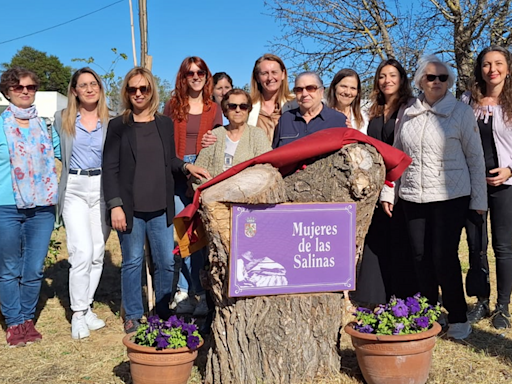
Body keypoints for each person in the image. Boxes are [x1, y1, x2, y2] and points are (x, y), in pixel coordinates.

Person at [380, 55, 487, 340]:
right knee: (419, 255)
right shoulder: (408, 112)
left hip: (451, 195)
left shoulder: (461, 113)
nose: (436, 82)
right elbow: (397, 156)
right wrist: (389, 191)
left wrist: (479, 201)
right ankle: (428, 310)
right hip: (414, 194)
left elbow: (475, 159)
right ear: (420, 82)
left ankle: (458, 316)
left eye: (442, 78)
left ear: (449, 82)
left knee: (444, 256)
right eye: (431, 77)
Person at [102, 67, 210, 333]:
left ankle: (162, 309)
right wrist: (115, 205)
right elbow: (110, 168)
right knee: (132, 261)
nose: (138, 94)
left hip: (161, 206)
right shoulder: (118, 125)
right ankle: (133, 313)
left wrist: (186, 167)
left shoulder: (164, 123)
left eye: (144, 89)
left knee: (165, 261)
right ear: (126, 92)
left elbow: (170, 160)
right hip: (129, 208)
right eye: (133, 89)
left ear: (151, 91)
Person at [0, 67, 58, 347]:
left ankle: (26, 319)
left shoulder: (45, 125)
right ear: (7, 91)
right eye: (18, 87)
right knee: (9, 268)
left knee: (34, 268)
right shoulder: (1, 125)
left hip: (42, 207)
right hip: (6, 207)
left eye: (31, 87)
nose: (25, 91)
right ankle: (13, 322)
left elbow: (71, 151)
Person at [52, 67, 111, 339]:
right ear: (74, 90)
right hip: (75, 187)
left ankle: (87, 307)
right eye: (83, 85)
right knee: (81, 252)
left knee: (98, 252)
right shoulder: (61, 118)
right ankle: (77, 313)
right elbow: (51, 152)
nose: (89, 89)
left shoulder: (111, 120)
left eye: (93, 84)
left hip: (101, 188)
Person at [351, 59, 415, 306]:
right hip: (377, 184)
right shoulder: (373, 109)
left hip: (401, 180)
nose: (387, 80)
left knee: (401, 240)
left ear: (402, 79)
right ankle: (373, 297)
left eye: (392, 75)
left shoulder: (409, 107)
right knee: (377, 238)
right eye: (382, 76)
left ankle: (403, 294)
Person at [163, 56, 222, 316]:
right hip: (177, 174)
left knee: (200, 236)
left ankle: (200, 291)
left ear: (207, 76)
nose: (196, 76)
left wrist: (212, 141)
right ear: (183, 77)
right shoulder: (172, 106)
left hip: (204, 175)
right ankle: (184, 290)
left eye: (201, 72)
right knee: (182, 234)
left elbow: (221, 143)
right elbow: (165, 146)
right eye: (190, 73)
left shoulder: (214, 108)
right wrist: (184, 168)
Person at [462, 46, 512, 329]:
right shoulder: (467, 100)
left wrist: (509, 170)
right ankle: (481, 300)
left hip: (506, 184)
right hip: (473, 183)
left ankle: (502, 306)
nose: (492, 69)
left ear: (507, 68)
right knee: (475, 245)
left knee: (504, 248)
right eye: (486, 64)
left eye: (498, 63)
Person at [191, 89, 272, 188]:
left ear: (248, 110)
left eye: (243, 106)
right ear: (225, 110)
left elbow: (267, 169)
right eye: (233, 106)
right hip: (214, 196)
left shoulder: (258, 135)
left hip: (248, 195)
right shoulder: (214, 135)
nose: (238, 110)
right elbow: (199, 171)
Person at [272, 71, 347, 148]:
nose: (304, 94)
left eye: (310, 88)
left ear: (321, 92)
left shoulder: (338, 120)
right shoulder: (286, 119)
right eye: (299, 89)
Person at [327, 68, 368, 133]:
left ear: (357, 92)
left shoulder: (364, 118)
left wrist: (353, 134)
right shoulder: (321, 115)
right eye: (343, 86)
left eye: (353, 88)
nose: (348, 92)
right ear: (334, 87)